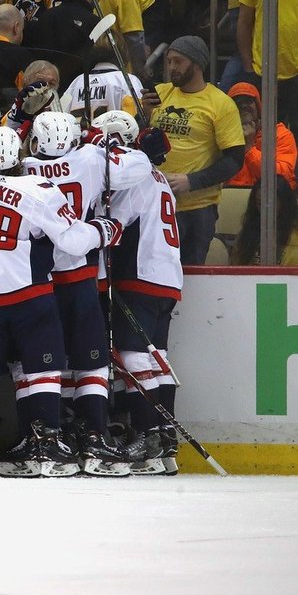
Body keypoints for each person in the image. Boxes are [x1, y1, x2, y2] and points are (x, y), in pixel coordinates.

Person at [0, 126, 121, 478]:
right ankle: (47, 442)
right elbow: (71, 242)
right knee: (42, 369)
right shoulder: (39, 190)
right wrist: (105, 230)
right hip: (30, 298)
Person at [21, 111, 151, 477]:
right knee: (91, 360)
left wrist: (14, 120)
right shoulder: (90, 159)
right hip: (80, 274)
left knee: (43, 362)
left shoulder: (23, 167)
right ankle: (94, 435)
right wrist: (100, 140)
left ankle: (47, 436)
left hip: (36, 278)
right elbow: (140, 166)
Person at [91, 110, 182, 475]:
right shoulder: (158, 176)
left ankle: (147, 433)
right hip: (167, 278)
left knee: (131, 356)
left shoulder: (135, 176)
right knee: (155, 355)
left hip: (140, 275)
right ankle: (164, 436)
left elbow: (115, 223)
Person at [141, 36, 245, 266]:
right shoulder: (160, 93)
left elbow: (235, 160)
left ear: (197, 63)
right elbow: (133, 142)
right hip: (155, 202)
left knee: (189, 274)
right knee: (153, 271)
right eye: (169, 62)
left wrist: (192, 181)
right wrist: (143, 117)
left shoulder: (221, 103)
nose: (171, 68)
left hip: (196, 209)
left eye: (178, 62)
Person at [236, 0, 298, 130]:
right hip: (262, 70)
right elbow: (244, 21)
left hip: (295, 69)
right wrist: (247, 64)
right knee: (263, 130)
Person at [225, 82, 297, 190]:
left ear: (258, 106)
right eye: (238, 102)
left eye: (249, 101)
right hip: (232, 193)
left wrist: (249, 148)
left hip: (271, 196)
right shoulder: (222, 135)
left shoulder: (280, 134)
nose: (243, 105)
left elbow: (281, 176)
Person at [62, 42, 144, 120]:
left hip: (80, 134)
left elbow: (62, 119)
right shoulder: (127, 80)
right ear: (123, 52)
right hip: (113, 134)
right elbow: (136, 120)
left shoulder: (76, 82)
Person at [231, 176, 298, 266]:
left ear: (284, 203)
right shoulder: (247, 234)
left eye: (270, 204)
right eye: (260, 203)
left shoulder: (295, 234)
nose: (264, 210)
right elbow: (236, 268)